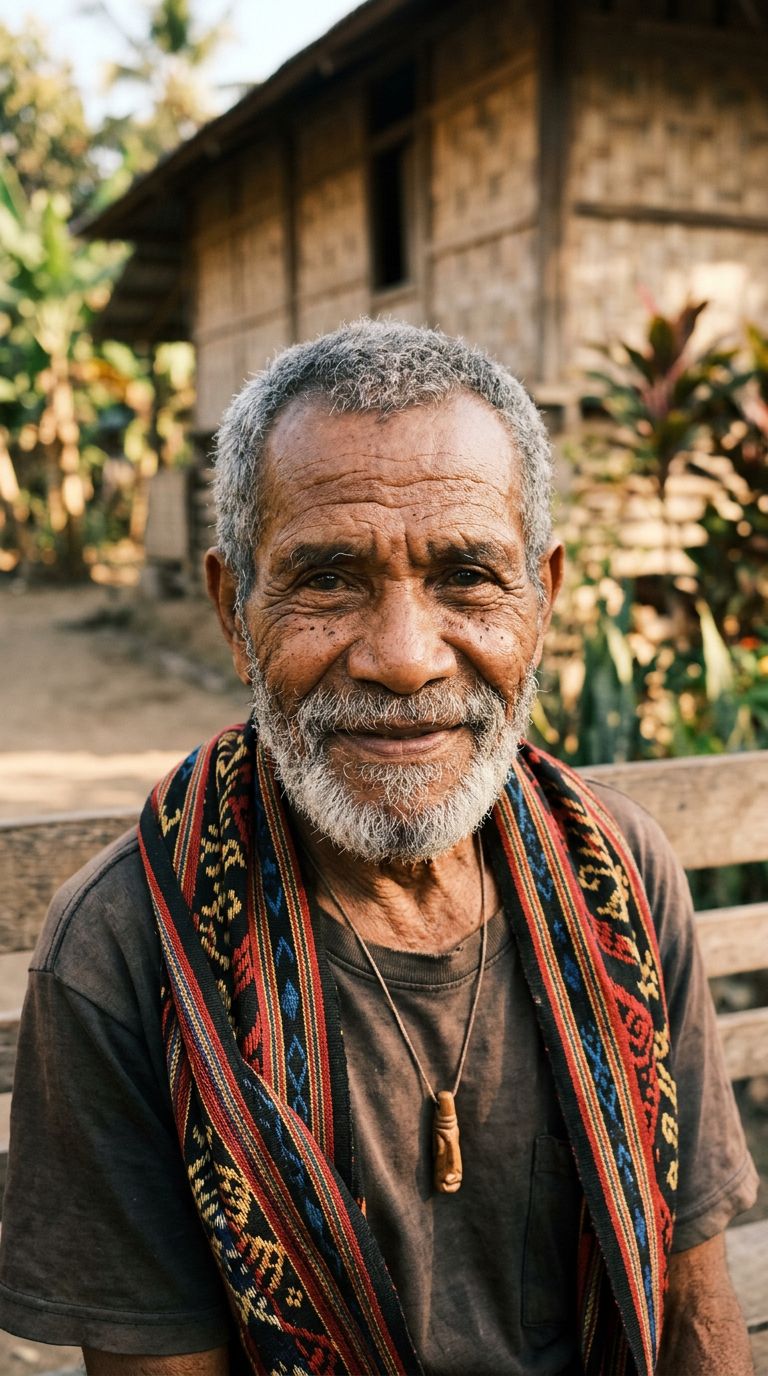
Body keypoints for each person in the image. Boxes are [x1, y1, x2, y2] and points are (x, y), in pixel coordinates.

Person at [0, 321, 758, 1376]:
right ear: (234, 609)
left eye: (466, 576)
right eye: (328, 580)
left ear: (539, 599)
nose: (404, 658)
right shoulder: (123, 953)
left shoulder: (621, 872)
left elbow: (695, 1310)